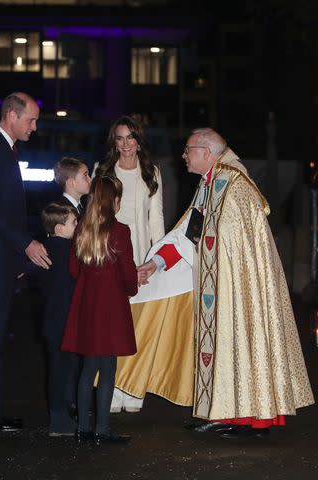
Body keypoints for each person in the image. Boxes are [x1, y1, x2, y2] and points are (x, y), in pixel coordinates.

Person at [116, 127, 315, 439]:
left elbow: (235, 244)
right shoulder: (211, 184)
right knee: (223, 345)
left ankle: (248, 417)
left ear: (206, 152)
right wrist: (155, 264)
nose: (183, 156)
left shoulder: (233, 185)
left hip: (237, 288)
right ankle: (226, 413)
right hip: (220, 285)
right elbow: (190, 235)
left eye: (188, 150)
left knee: (238, 343)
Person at [0, 92, 51, 432]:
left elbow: (4, 210)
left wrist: (16, 254)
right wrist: (25, 244)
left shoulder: (3, 151)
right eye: (30, 120)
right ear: (11, 117)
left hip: (0, 258)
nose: (34, 128)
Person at [94, 115, 165, 413]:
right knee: (111, 327)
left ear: (138, 140)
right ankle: (110, 391)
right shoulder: (103, 170)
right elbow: (96, 218)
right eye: (120, 138)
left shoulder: (151, 173)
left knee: (137, 328)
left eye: (130, 138)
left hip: (141, 263)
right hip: (110, 260)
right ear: (114, 141)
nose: (125, 144)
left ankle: (133, 390)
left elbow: (156, 219)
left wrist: (155, 262)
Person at [61, 175, 138, 444]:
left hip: (87, 307)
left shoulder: (83, 229)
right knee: (107, 371)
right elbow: (128, 276)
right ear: (114, 202)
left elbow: (73, 270)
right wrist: (132, 288)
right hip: (111, 308)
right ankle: (102, 429)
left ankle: (83, 428)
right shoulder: (120, 232)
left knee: (87, 369)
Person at [40, 202, 80, 437]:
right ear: (58, 228)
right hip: (62, 321)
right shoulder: (64, 250)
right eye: (74, 223)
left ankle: (61, 416)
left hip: (53, 320)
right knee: (61, 370)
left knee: (60, 368)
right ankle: (59, 421)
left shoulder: (48, 248)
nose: (77, 226)